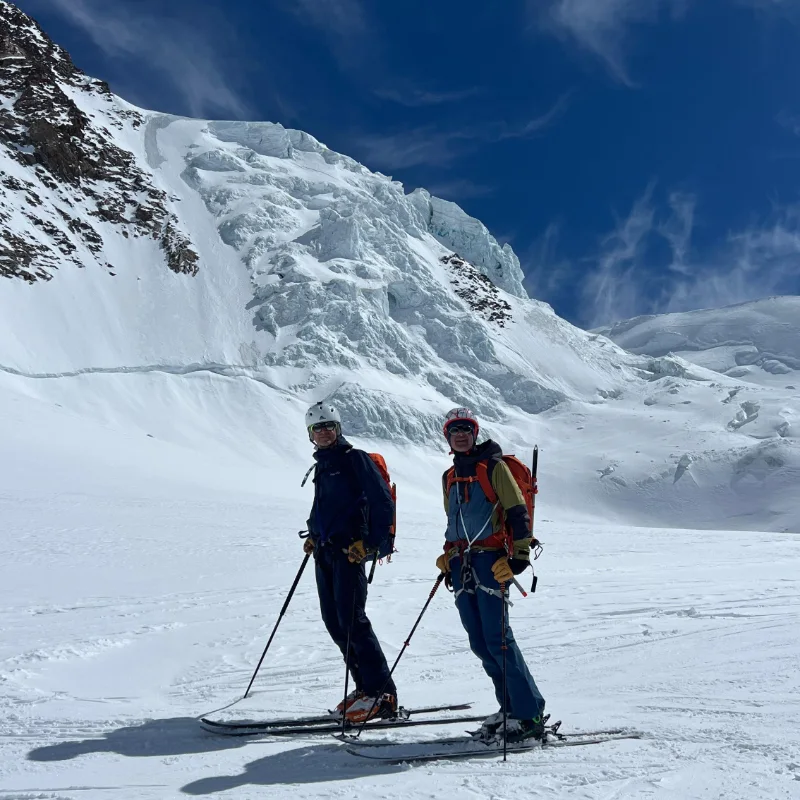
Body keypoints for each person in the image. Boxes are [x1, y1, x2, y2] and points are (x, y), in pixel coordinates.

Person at [436, 407, 546, 742]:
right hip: (462, 562)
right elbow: (454, 520)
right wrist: (448, 553)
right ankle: (509, 706)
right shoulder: (449, 476)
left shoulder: (494, 467)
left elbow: (517, 511)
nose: (460, 434)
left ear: (475, 432)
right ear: (447, 436)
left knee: (498, 639)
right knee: (480, 642)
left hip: (491, 561)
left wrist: (519, 558)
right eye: (454, 429)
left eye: (466, 428)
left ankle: (529, 715)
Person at [303, 401, 398, 723]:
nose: (325, 432)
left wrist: (371, 543)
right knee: (334, 621)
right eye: (318, 428)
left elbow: (382, 501)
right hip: (325, 552)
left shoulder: (353, 459)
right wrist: (314, 533)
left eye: (329, 426)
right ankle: (364, 688)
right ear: (310, 435)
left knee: (353, 620)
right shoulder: (323, 465)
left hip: (349, 552)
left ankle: (382, 694)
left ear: (339, 428)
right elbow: (324, 506)